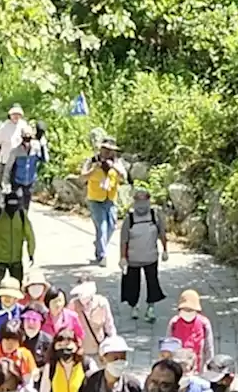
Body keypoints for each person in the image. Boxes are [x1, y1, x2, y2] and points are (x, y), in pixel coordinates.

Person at [72, 331, 144, 392]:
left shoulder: (133, 386)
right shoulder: (90, 381)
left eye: (123, 357)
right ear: (102, 359)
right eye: (115, 358)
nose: (120, 362)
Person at [119, 188, 168, 322]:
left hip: (151, 257)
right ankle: (134, 306)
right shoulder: (129, 219)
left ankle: (151, 307)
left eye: (144, 200)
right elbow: (124, 239)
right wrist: (123, 257)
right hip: (133, 259)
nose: (141, 204)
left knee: (152, 282)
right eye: (138, 200)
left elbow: (162, 233)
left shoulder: (154, 216)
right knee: (132, 283)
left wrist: (165, 250)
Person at [81, 135, 123, 264]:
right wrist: (94, 169)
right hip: (95, 198)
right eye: (105, 149)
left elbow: (124, 176)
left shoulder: (117, 162)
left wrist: (113, 166)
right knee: (102, 226)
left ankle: (99, 244)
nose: (107, 152)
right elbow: (82, 177)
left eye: (110, 150)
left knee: (111, 226)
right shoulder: (92, 160)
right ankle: (102, 255)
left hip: (110, 198)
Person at [0, 190, 36, 285]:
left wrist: (31, 252)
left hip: (16, 259)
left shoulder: (21, 215)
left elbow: (30, 235)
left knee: (17, 287)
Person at [67, 277, 115, 360]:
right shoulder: (73, 304)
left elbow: (109, 325)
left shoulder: (102, 303)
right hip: (81, 352)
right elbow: (68, 327)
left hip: (99, 350)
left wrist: (113, 344)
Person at [0, 316, 38, 383]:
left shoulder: (25, 354)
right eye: (7, 339)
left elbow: (33, 376)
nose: (10, 344)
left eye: (14, 340)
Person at [171, 287, 215, 372]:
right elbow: (168, 346)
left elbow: (209, 347)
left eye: (190, 310)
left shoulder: (204, 323)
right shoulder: (174, 322)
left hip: (198, 368)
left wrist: (209, 367)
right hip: (177, 369)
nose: (187, 312)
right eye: (185, 309)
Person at [0, 103, 26, 188]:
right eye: (14, 114)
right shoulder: (4, 127)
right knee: (4, 184)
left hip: (18, 161)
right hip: (5, 160)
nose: (16, 116)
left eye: (18, 114)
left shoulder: (23, 126)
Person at [8, 122, 41, 203]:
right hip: (17, 181)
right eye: (25, 135)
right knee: (17, 204)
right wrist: (6, 182)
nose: (27, 137)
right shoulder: (16, 150)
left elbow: (44, 160)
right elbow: (8, 167)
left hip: (30, 181)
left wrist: (43, 145)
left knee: (26, 203)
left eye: (29, 135)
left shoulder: (36, 148)